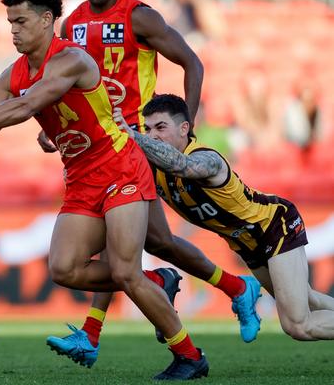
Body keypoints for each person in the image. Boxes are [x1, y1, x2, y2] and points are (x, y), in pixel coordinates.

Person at [0, 0, 209, 380]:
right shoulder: (9, 75)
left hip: (120, 165)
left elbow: (29, 107)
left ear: (46, 20)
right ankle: (158, 279)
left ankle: (190, 356)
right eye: (9, 23)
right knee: (64, 269)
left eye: (20, 21)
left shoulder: (72, 60)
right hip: (80, 178)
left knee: (125, 271)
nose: (13, 31)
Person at [44, 0, 260, 368]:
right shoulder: (73, 24)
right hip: (100, 147)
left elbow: (192, 62)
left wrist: (186, 128)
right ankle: (237, 288)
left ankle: (95, 330)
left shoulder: (138, 17)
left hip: (136, 144)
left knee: (126, 241)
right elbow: (66, 88)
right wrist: (54, 127)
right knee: (158, 241)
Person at [116, 93, 334, 341]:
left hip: (273, 226)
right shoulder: (156, 172)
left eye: (161, 127)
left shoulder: (207, 159)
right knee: (308, 299)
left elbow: (180, 165)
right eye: (148, 128)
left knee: (297, 325)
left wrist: (135, 137)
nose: (153, 135)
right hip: (248, 244)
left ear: (184, 128)